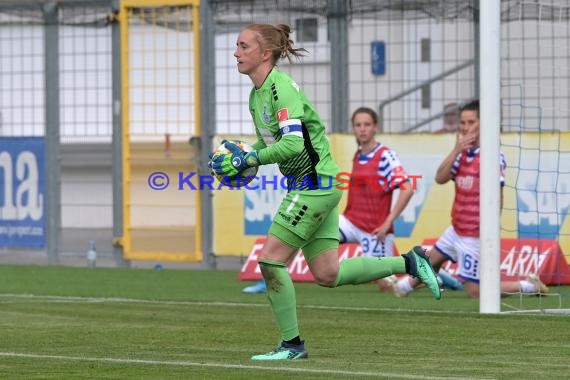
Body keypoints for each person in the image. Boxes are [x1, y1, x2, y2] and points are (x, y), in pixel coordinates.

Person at [209, 23, 442, 361]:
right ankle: (410, 261)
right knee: (327, 274)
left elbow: (291, 144)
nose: (236, 52)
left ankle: (291, 345)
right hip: (316, 185)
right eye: (236, 46)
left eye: (243, 46)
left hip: (314, 185)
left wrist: (250, 157)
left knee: (271, 261)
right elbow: (275, 142)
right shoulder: (256, 94)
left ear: (265, 53)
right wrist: (245, 154)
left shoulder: (281, 90)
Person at [393, 100, 549, 299]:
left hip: (474, 235)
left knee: (475, 292)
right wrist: (456, 149)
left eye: (471, 122)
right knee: (431, 258)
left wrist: (490, 228)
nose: (466, 128)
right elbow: (440, 178)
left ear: (484, 124)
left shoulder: (492, 156)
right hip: (457, 228)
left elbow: (498, 195)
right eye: (463, 123)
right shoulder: (461, 154)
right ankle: (404, 287)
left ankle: (528, 286)